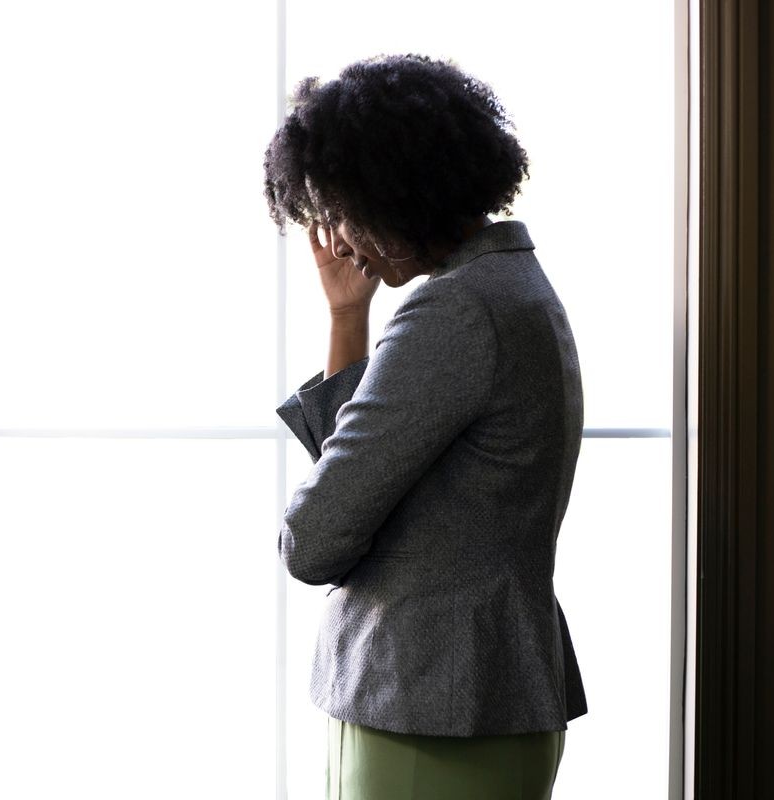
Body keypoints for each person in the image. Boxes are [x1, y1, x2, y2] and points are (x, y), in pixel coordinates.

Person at [264, 54, 588, 799]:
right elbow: (380, 468)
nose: (339, 239)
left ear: (393, 193)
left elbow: (314, 540)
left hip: (425, 709)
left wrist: (315, 527)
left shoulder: (455, 311)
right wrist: (349, 318)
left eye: (342, 210)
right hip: (469, 702)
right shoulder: (512, 285)